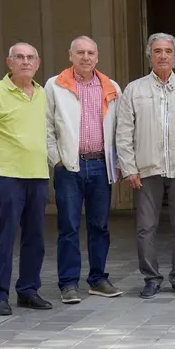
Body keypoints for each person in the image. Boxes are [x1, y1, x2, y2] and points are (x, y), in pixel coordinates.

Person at [116, 33, 175, 299]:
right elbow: (124, 132)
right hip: (147, 168)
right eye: (157, 51)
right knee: (146, 226)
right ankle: (151, 277)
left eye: (168, 51)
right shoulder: (135, 89)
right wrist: (130, 167)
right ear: (150, 55)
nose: (163, 56)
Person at [0, 42, 52, 315]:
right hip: (8, 176)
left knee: (35, 237)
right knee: (5, 237)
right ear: (9, 63)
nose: (25, 62)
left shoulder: (43, 94)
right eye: (19, 57)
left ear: (38, 63)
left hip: (38, 175)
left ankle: (28, 290)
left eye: (30, 57)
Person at [46, 36, 123, 304]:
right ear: (70, 55)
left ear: (97, 56)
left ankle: (98, 279)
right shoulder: (55, 85)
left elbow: (120, 128)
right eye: (80, 52)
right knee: (68, 226)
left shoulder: (111, 86)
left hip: (100, 165)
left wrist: (118, 162)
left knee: (99, 226)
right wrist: (57, 159)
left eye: (91, 52)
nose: (86, 57)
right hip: (70, 166)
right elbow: (46, 126)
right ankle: (68, 283)